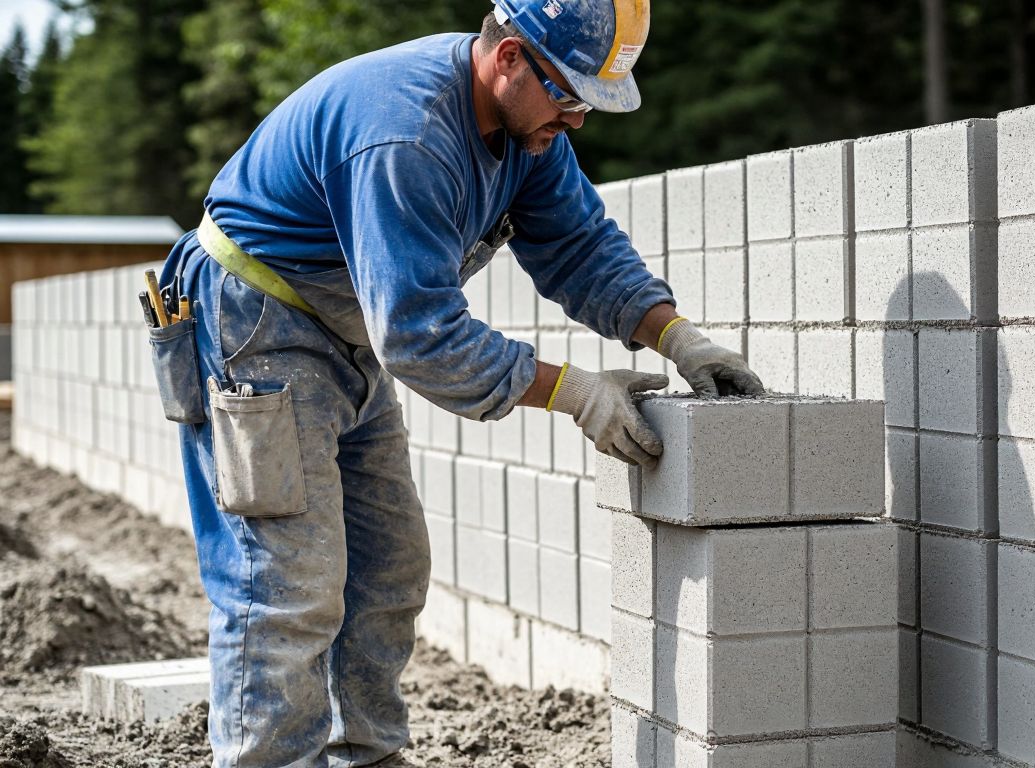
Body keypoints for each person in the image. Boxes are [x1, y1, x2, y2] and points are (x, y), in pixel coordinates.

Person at [153, 0, 763, 764]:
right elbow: (417, 334)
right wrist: (574, 391)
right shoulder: (405, 133)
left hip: (341, 334)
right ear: (508, 58)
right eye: (569, 96)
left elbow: (579, 245)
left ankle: (365, 754)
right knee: (286, 585)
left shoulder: (526, 131)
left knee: (389, 566)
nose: (575, 121)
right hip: (257, 327)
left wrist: (677, 338)